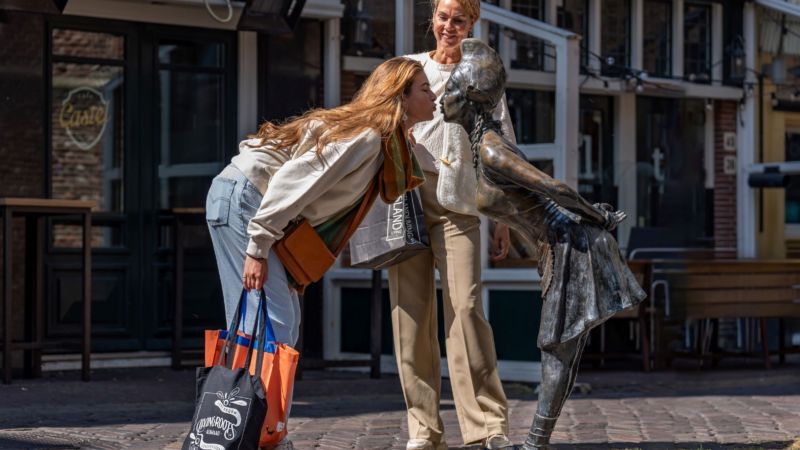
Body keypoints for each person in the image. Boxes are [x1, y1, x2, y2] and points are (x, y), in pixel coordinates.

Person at [205, 57, 436, 450]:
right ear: (400, 97)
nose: (434, 95)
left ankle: (258, 432)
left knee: (274, 323)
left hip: (253, 203)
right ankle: (255, 435)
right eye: (425, 89)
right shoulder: (365, 137)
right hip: (245, 201)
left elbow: (431, 169)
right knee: (269, 322)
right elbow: (294, 181)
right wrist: (258, 246)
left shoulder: (386, 141)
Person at [441, 38, 647, 450]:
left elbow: (554, 189)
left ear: (472, 101)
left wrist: (598, 216)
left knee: (558, 348)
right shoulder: (482, 146)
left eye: (451, 90)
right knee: (565, 350)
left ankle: (535, 444)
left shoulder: (493, 150)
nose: (441, 98)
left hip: (571, 240)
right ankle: (538, 443)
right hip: (556, 245)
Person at [390, 0, 518, 449]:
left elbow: (499, 145)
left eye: (458, 19)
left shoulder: (484, 76)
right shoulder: (409, 68)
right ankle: (424, 431)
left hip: (460, 205)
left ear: (472, 22)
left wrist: (502, 217)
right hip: (406, 202)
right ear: (432, 19)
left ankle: (486, 427)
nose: (448, 26)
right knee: (410, 317)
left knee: (465, 309)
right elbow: (379, 121)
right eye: (443, 17)